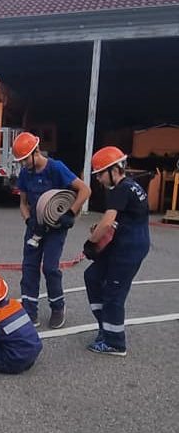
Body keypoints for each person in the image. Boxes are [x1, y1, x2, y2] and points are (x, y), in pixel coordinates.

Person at [13, 132, 91, 329]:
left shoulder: (56, 168)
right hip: (35, 227)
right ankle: (30, 312)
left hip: (56, 228)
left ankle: (58, 308)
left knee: (50, 267)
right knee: (29, 267)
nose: (23, 164)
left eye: (24, 160)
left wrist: (70, 213)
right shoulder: (25, 173)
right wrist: (29, 220)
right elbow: (23, 203)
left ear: (35, 152)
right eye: (20, 161)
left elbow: (85, 190)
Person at [83, 146, 150, 356]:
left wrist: (91, 242)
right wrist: (102, 231)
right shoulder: (131, 186)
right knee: (92, 275)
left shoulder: (120, 189)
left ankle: (115, 342)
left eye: (100, 174)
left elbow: (107, 222)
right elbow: (122, 219)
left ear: (114, 170)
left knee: (114, 293)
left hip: (128, 249)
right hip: (126, 243)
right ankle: (105, 325)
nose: (99, 180)